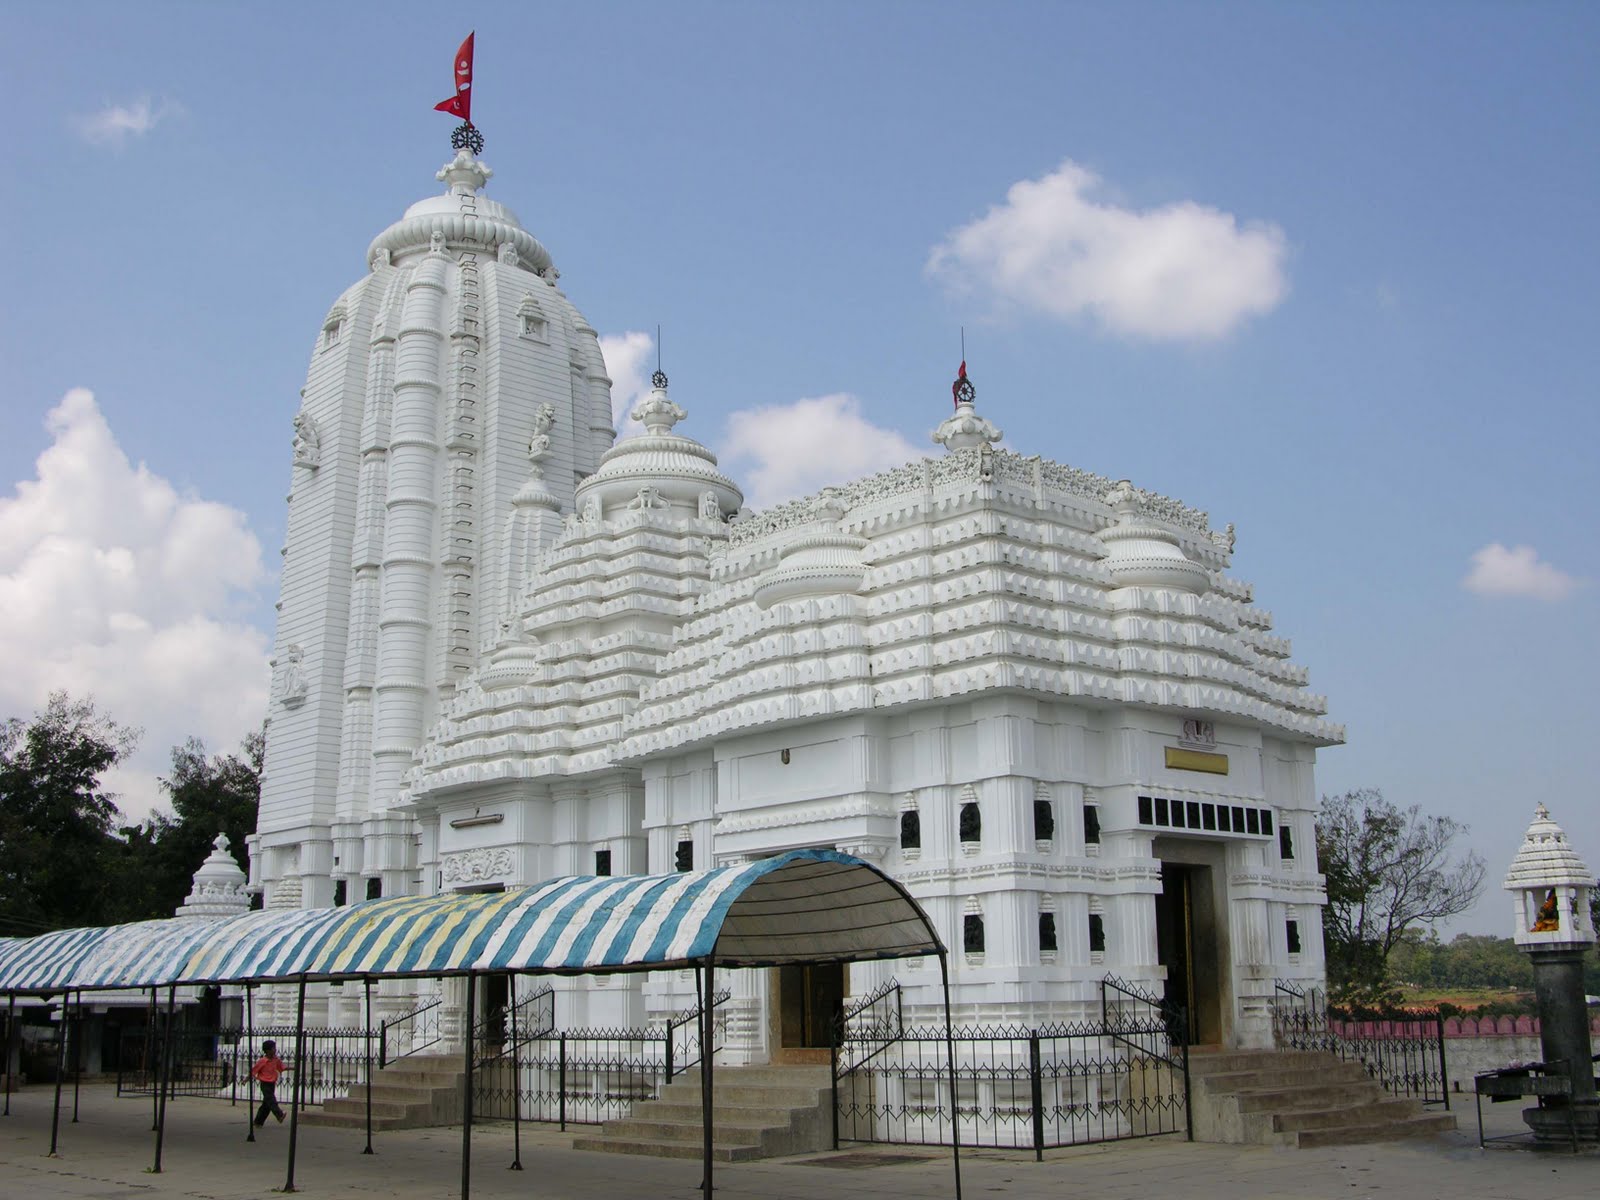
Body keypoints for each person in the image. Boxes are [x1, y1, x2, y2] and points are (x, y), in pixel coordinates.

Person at [251, 1039, 292, 1126]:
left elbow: (282, 1068)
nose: (275, 1050)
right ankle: (279, 1114)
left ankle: (258, 1121)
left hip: (272, 1083)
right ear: (268, 1050)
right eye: (273, 1048)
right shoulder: (262, 1061)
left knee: (266, 1104)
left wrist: (293, 1068)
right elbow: (254, 1071)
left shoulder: (275, 1060)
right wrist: (246, 1080)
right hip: (265, 1083)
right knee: (271, 1100)